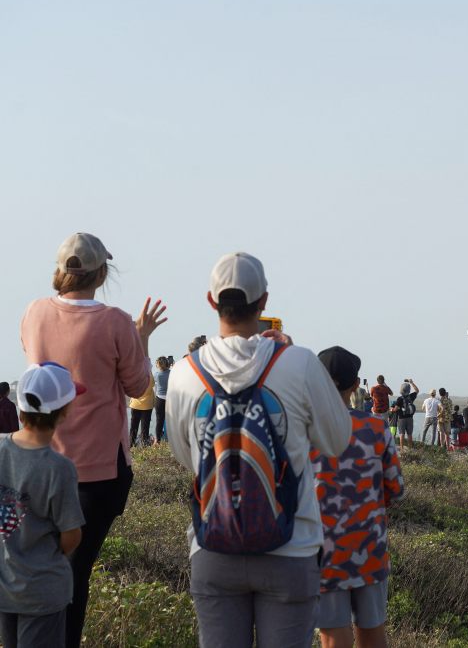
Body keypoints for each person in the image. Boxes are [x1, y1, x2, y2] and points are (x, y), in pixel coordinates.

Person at [165, 251, 352, 648]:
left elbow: (186, 456)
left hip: (212, 544)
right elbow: (337, 441)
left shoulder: (184, 372)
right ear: (263, 301)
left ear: (212, 301)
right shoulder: (298, 363)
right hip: (291, 547)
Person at [20, 232, 166, 648]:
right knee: (74, 573)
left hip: (41, 462)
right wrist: (140, 337)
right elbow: (138, 385)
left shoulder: (34, 313)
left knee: (39, 567)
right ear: (102, 272)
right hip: (98, 470)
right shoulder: (115, 321)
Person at [310, 347, 404, 648]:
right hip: (371, 548)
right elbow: (396, 489)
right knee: (373, 632)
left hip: (323, 552)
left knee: (333, 636)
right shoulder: (377, 428)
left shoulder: (302, 430)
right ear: (355, 386)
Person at [0, 363, 86, 648]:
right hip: (43, 592)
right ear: (65, 411)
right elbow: (72, 535)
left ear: (20, 409)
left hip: (5, 587)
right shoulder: (59, 468)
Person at [127, 374, 155, 447]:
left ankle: (131, 443)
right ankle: (144, 444)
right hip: (147, 405)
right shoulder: (151, 379)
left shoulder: (135, 378)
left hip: (135, 404)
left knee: (133, 425)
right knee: (145, 426)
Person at [393, 380, 419, 450]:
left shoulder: (399, 399)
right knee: (409, 434)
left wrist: (392, 409)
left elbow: (395, 409)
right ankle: (410, 448)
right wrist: (411, 382)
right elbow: (417, 390)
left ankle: (401, 448)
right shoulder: (411, 397)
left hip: (401, 418)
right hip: (410, 418)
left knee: (402, 434)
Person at [151, 356, 170, 445]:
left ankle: (157, 440)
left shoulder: (156, 374)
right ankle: (169, 439)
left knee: (159, 420)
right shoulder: (171, 373)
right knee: (171, 420)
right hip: (169, 399)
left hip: (159, 399)